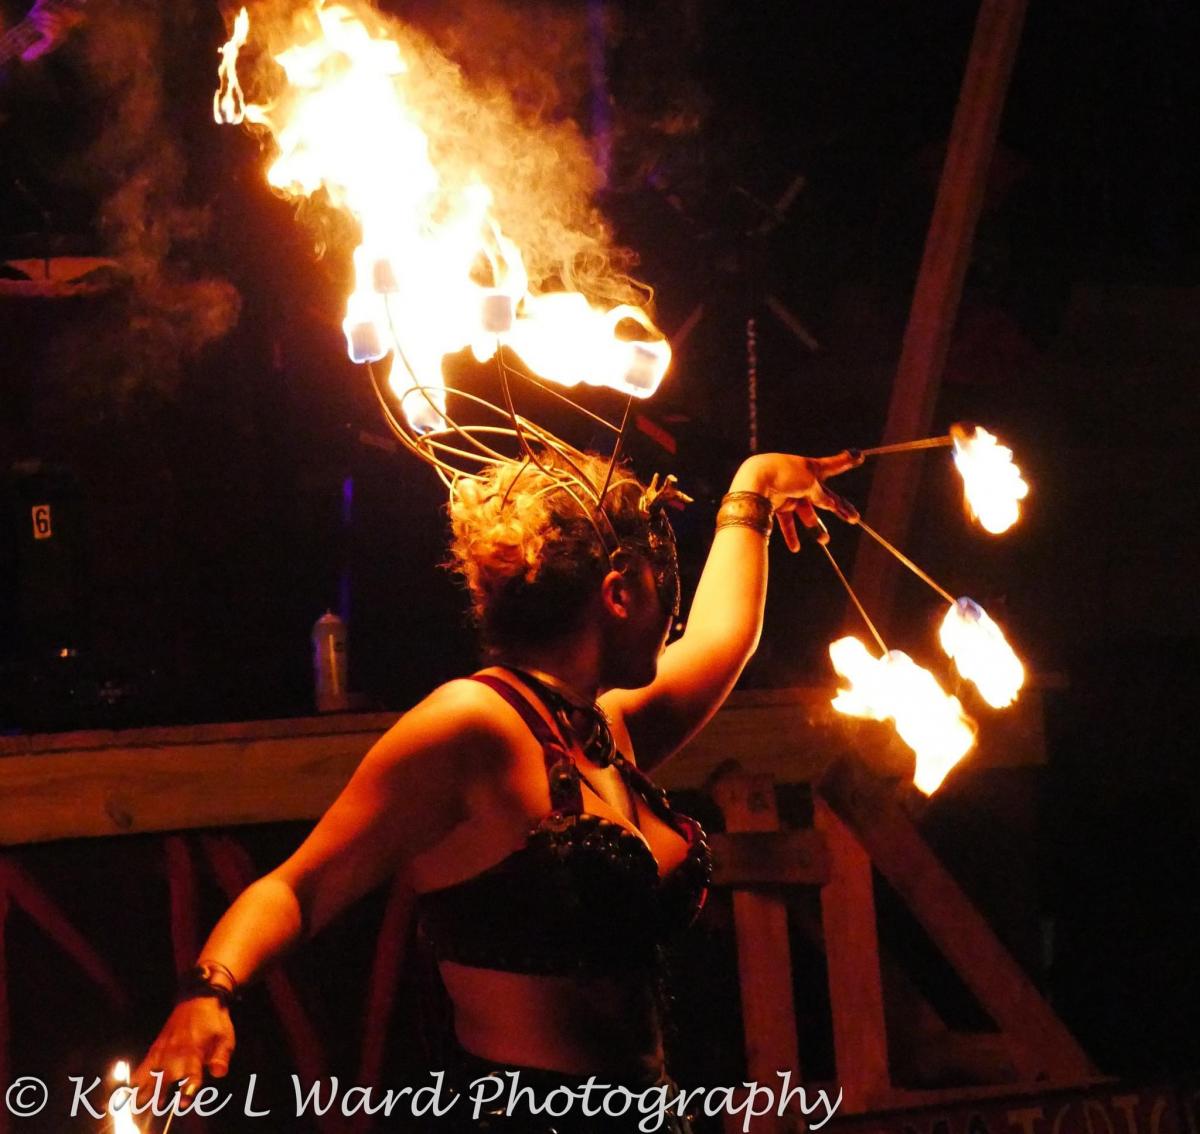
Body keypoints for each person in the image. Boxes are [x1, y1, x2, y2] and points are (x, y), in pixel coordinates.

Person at [131, 445, 861, 1131]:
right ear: (618, 591)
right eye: (662, 588)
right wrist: (209, 990)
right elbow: (299, 887)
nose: (673, 617)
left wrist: (756, 484)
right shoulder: (469, 726)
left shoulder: (603, 726)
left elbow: (722, 638)